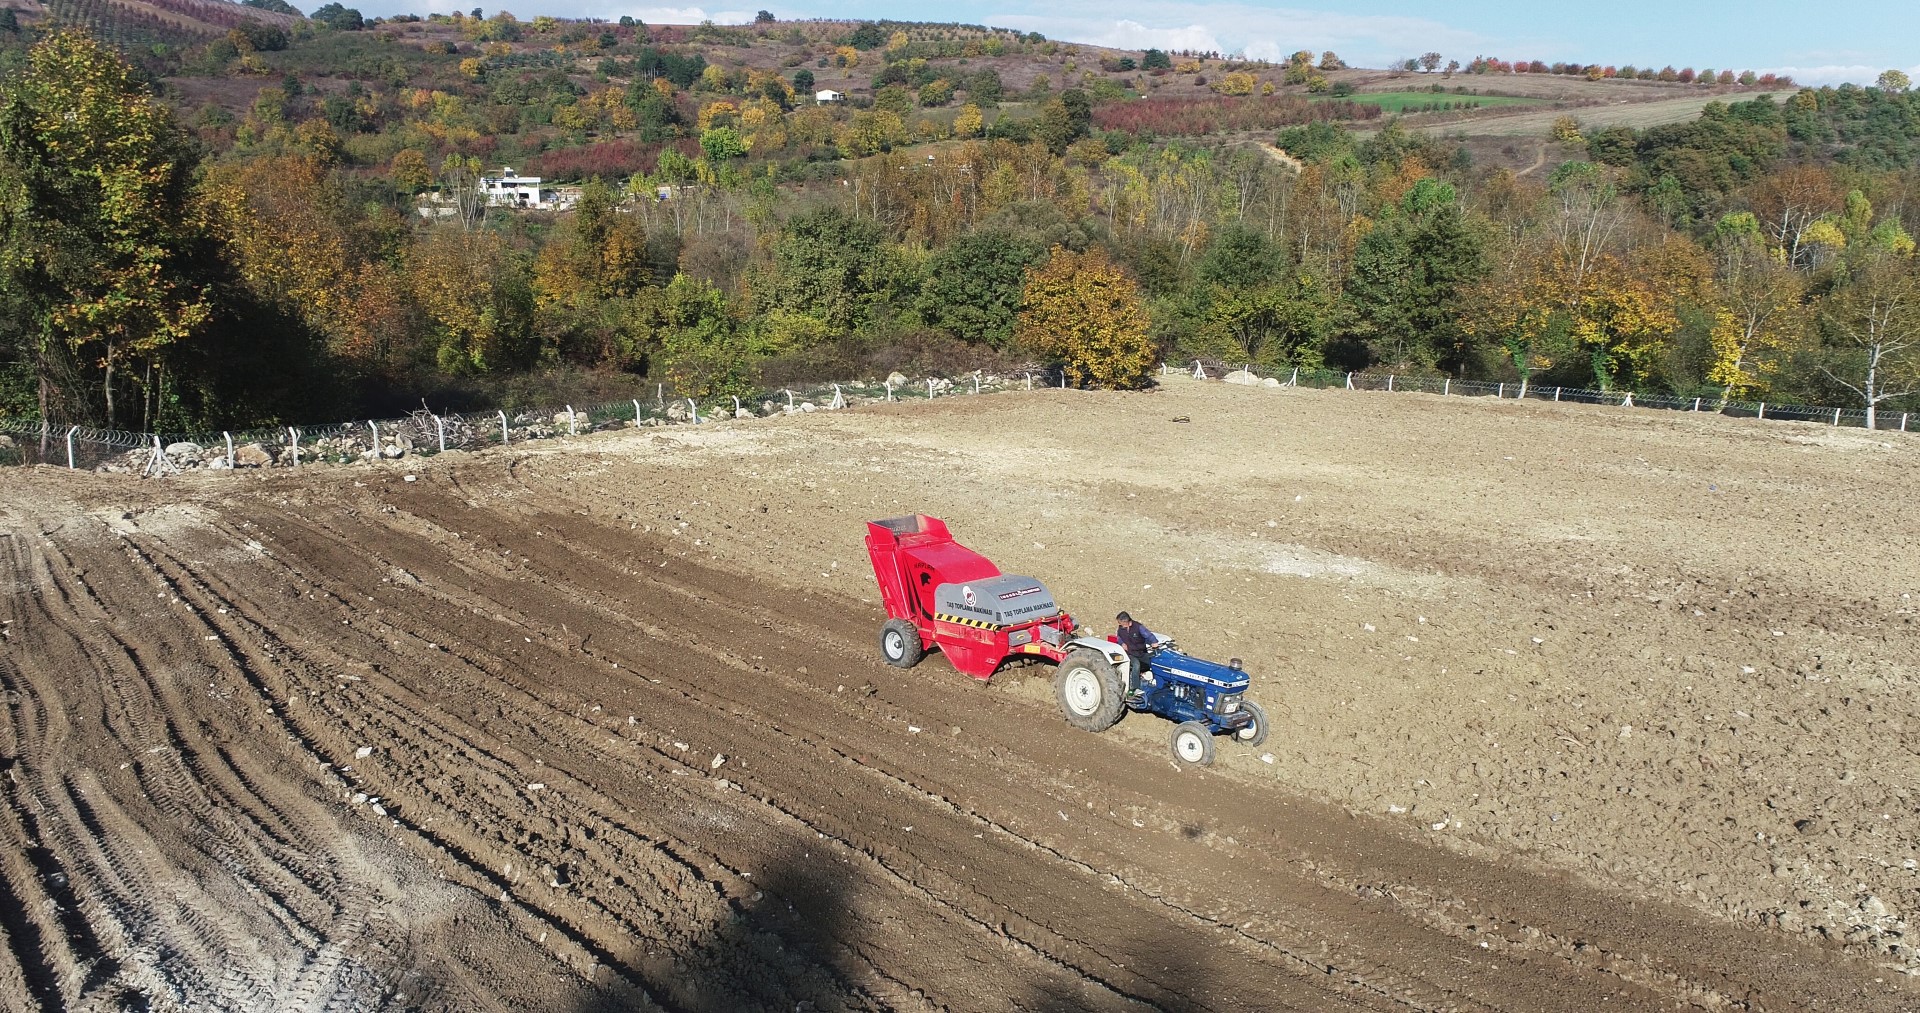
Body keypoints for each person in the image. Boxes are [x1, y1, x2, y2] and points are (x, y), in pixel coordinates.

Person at [1116, 611, 1155, 703]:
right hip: (1129, 653)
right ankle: (1135, 689)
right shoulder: (1120, 629)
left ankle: (1152, 683)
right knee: (1136, 665)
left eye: (1120, 623)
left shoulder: (1138, 627)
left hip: (1141, 652)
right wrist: (1122, 643)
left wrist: (1154, 641)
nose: (1119, 625)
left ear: (1126, 622)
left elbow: (1148, 635)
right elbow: (1118, 637)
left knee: (1152, 662)